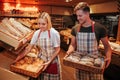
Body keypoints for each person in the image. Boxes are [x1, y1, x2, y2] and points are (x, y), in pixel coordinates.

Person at [66, 2, 112, 80]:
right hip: (80, 63)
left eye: (80, 15)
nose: (78, 18)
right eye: (77, 15)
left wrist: (109, 56)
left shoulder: (100, 28)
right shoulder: (75, 29)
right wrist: (70, 50)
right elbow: (73, 44)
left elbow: (107, 46)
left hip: (95, 64)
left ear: (87, 14)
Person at [29, 12, 61, 80]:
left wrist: (49, 61)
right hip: (41, 62)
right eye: (39, 23)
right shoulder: (37, 33)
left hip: (52, 61)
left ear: (48, 23)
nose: (40, 26)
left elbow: (57, 49)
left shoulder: (54, 33)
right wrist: (18, 58)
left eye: (43, 24)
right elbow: (29, 48)